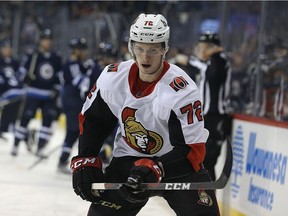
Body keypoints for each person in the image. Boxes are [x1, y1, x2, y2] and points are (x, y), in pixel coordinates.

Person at [70, 13, 220, 216]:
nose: (145, 57)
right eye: (139, 48)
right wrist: (86, 159)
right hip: (129, 160)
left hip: (176, 166)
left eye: (153, 49)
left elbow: (192, 151)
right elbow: (93, 121)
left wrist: (157, 168)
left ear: (164, 49)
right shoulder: (112, 78)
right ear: (131, 47)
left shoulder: (181, 89)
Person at [11, 28, 62, 157]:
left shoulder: (56, 57)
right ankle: (16, 145)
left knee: (47, 122)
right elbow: (22, 72)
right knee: (25, 119)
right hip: (33, 93)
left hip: (48, 95)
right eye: (45, 40)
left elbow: (59, 76)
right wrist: (24, 78)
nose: (47, 43)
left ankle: (40, 148)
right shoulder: (33, 55)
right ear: (40, 41)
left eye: (49, 40)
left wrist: (56, 88)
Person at [189, 31, 232, 181]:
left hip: (216, 117)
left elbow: (214, 75)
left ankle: (208, 197)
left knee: (208, 161)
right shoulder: (209, 62)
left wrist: (215, 52)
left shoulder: (219, 60)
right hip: (206, 117)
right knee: (202, 161)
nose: (201, 50)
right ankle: (204, 196)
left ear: (213, 48)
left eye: (204, 47)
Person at [57, 37, 101, 173]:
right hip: (72, 103)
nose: (85, 52)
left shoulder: (80, 64)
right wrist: (90, 70)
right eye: (82, 49)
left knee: (74, 132)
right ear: (76, 51)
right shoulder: (72, 65)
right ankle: (62, 161)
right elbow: (81, 84)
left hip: (76, 103)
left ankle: (62, 160)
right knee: (74, 131)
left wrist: (89, 67)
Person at [0, 39, 24, 138]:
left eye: (8, 48)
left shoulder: (15, 62)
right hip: (2, 89)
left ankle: (8, 125)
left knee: (15, 102)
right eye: (5, 48)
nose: (7, 50)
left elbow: (19, 76)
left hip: (12, 91)